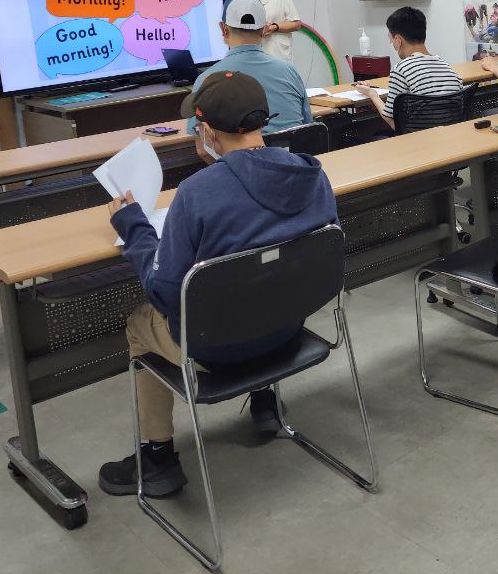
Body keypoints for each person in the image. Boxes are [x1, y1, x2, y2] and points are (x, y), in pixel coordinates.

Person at [99, 71, 338, 498]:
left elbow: (165, 294)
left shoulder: (196, 193)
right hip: (289, 327)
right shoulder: (311, 174)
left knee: (140, 323)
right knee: (265, 276)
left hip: (218, 349)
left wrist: (136, 229)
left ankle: (157, 459)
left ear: (207, 131)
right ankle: (264, 401)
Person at [187, 0, 312, 137]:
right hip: (294, 157)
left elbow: (201, 145)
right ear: (264, 29)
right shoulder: (290, 72)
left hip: (239, 159)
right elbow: (307, 125)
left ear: (223, 29)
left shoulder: (206, 80)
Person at [356, 7, 462, 131]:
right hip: (451, 141)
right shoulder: (447, 68)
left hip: (417, 144)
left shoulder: (400, 70)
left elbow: (393, 122)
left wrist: (372, 94)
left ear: (398, 40)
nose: (392, 45)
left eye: (391, 40)